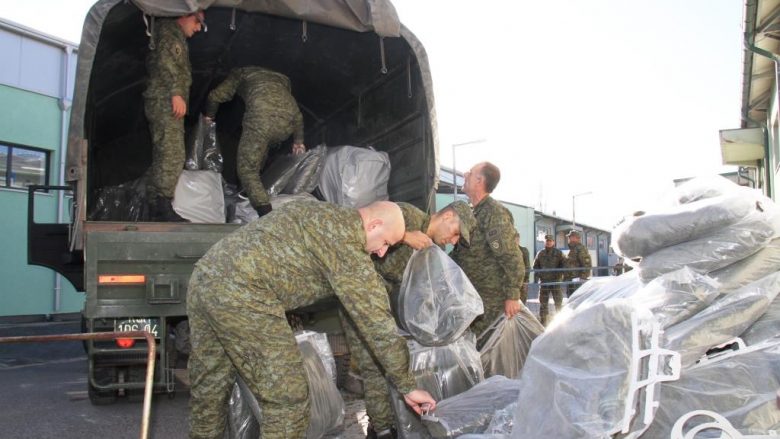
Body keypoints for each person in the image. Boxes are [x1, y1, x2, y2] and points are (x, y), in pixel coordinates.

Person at [186, 200, 436, 439]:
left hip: (205, 276)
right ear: (373, 225)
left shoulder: (320, 212)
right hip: (243, 293)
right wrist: (407, 385)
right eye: (385, 242)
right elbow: (378, 325)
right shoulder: (347, 246)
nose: (382, 253)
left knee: (210, 384)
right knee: (288, 398)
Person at [350, 201, 476, 437]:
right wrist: (404, 236)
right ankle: (381, 429)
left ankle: (395, 422)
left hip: (388, 309)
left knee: (397, 365)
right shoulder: (405, 215)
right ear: (448, 216)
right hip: (360, 300)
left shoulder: (431, 250)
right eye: (456, 232)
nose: (454, 240)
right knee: (375, 367)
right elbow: (356, 232)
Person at [204, 66, 305, 217]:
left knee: (247, 170)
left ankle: (266, 214)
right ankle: (247, 192)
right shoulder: (282, 79)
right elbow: (295, 113)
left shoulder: (240, 73)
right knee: (258, 156)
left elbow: (215, 96)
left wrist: (209, 116)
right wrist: (299, 140)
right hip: (289, 123)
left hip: (261, 119)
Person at [450, 162, 525, 337]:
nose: (464, 174)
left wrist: (513, 296)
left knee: (488, 351)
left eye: (469, 172)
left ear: (479, 180)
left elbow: (511, 256)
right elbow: (461, 254)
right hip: (472, 298)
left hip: (490, 303)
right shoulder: (473, 213)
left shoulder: (493, 213)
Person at [143, 10, 205, 221]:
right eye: (197, 21)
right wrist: (176, 94)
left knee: (163, 154)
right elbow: (167, 64)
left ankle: (155, 206)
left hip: (162, 101)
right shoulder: (171, 33)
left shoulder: (172, 34)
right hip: (164, 101)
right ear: (186, 15)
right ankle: (161, 206)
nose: (197, 28)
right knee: (173, 154)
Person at [532, 234, 566, 325]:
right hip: (544, 282)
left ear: (553, 242)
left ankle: (561, 323)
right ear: (545, 242)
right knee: (543, 304)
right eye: (547, 241)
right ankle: (543, 323)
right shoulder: (540, 253)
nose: (549, 242)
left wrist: (559, 275)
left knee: (558, 303)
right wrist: (540, 275)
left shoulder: (558, 253)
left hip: (555, 282)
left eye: (550, 241)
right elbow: (535, 266)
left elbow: (564, 265)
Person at [562, 229, 592, 297]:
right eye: (569, 237)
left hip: (577, 280)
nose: (569, 239)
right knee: (571, 298)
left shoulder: (580, 248)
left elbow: (586, 264)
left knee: (576, 298)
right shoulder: (573, 249)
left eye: (570, 237)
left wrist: (582, 278)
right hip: (571, 279)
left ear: (576, 238)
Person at [515, 234, 531, 304]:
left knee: (522, 302)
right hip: (511, 282)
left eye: (516, 239)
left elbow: (527, 266)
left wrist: (525, 280)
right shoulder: (507, 252)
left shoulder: (523, 250)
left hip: (522, 281)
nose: (515, 241)